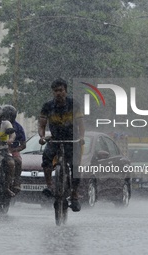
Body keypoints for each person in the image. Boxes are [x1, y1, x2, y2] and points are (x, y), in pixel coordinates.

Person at [38, 78, 85, 212]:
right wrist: (41, 137)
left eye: (61, 90)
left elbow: (81, 124)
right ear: (53, 92)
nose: (59, 93)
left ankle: (74, 194)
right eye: (56, 91)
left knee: (75, 167)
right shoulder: (47, 106)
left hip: (72, 139)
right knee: (46, 158)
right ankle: (49, 185)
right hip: (55, 139)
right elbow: (41, 124)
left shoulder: (74, 104)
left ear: (66, 91)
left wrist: (81, 138)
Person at [2, 104, 26, 194]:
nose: (6, 119)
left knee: (18, 161)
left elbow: (23, 145)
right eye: (4, 116)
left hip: (12, 150)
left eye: (8, 116)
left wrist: (14, 150)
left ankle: (16, 181)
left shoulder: (18, 127)